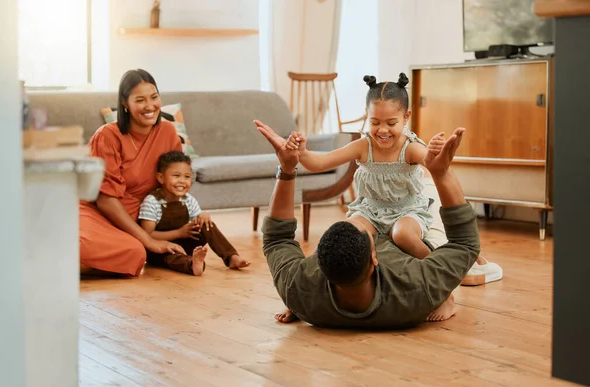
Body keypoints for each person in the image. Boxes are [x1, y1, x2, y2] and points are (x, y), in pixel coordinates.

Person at [254, 118, 479, 328]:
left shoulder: (297, 289)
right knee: (426, 194)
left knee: (366, 223)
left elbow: (277, 239)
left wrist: (286, 167)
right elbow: (464, 244)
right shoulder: (419, 289)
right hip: (415, 205)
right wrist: (441, 174)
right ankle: (451, 295)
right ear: (374, 258)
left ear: (320, 265)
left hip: (402, 201)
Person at [289, 73, 502, 286]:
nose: (382, 130)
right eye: (375, 122)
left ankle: (442, 274)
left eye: (391, 123)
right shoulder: (363, 146)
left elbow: (430, 161)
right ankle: (305, 285)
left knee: (403, 235)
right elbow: (319, 163)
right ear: (367, 115)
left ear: (406, 117)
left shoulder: (409, 147)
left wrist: (435, 151)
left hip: (407, 210)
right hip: (369, 211)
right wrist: (303, 152)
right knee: (340, 234)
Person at [79, 69, 187, 276]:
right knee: (92, 246)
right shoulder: (107, 136)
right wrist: (148, 240)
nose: (150, 106)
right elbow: (105, 200)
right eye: (140, 100)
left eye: (154, 97)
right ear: (124, 103)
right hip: (96, 212)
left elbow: (175, 184)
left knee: (135, 253)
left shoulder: (168, 132)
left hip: (133, 222)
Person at [138, 150, 250, 275]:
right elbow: (147, 235)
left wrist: (203, 216)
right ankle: (192, 264)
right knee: (170, 258)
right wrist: (179, 233)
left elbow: (198, 221)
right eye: (176, 175)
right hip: (159, 249)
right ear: (161, 178)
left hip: (184, 244)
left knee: (207, 224)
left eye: (187, 176)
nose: (182, 181)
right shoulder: (152, 202)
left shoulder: (188, 199)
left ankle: (231, 257)